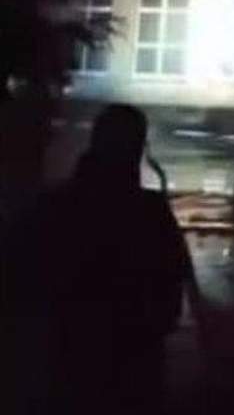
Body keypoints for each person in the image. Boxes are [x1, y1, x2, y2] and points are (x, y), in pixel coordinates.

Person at [14, 104, 189, 414]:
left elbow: (24, 283)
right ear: (138, 149)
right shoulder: (149, 213)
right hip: (133, 363)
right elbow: (172, 282)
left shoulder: (54, 206)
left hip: (66, 357)